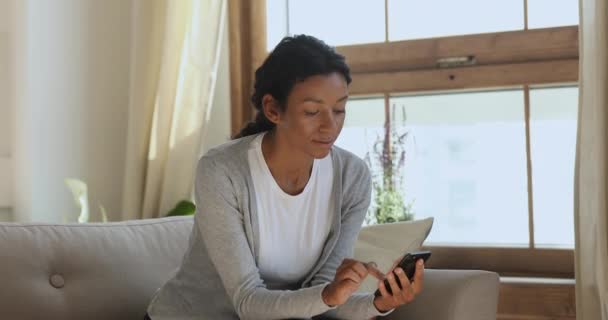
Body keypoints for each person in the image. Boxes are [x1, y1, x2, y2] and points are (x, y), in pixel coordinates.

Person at [145, 34, 424, 320]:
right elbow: (248, 301)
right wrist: (328, 295)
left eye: (339, 109)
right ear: (273, 109)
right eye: (313, 111)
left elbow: (320, 296)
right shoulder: (221, 171)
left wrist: (379, 303)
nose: (330, 125)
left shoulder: (352, 178)